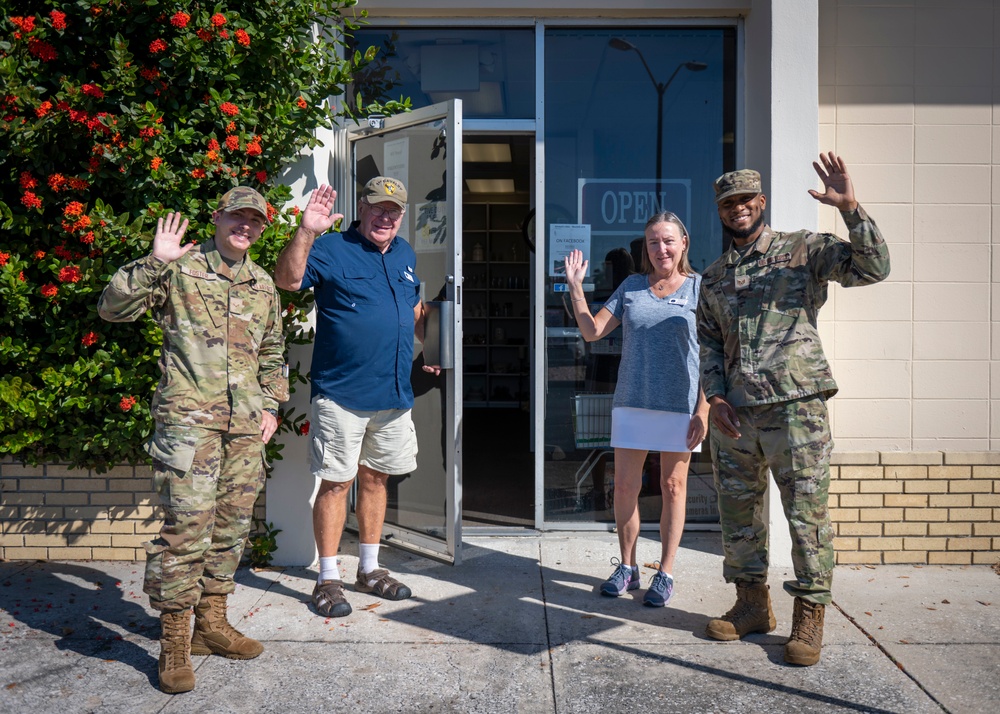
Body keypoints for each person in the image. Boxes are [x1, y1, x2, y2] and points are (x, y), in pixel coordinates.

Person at [696, 152, 890, 666]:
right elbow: (710, 344)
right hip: (737, 416)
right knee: (739, 517)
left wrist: (851, 209)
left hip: (796, 411)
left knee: (806, 516)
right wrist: (714, 397)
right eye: (728, 203)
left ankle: (810, 615)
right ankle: (751, 605)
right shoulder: (714, 277)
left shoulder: (803, 249)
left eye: (745, 200)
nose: (738, 209)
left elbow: (873, 268)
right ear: (720, 211)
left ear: (760, 202)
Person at [98, 187, 288, 694]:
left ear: (262, 229)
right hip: (189, 429)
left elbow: (273, 353)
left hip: (245, 430)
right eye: (236, 218)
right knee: (185, 530)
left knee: (230, 529)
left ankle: (212, 625)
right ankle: (175, 639)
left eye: (254, 221)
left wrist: (271, 405)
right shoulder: (180, 269)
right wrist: (153, 262)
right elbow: (113, 309)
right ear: (218, 218)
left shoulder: (263, 284)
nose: (244, 227)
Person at [274, 177, 439, 619]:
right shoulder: (330, 248)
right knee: (336, 483)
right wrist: (307, 230)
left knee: (376, 479)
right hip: (342, 393)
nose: (387, 217)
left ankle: (369, 568)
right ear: (362, 208)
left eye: (395, 211)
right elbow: (288, 280)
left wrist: (435, 347)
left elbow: (412, 311)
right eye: (379, 208)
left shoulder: (404, 254)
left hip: (393, 395)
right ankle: (327, 577)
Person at [564, 211, 709, 608]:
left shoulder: (701, 289)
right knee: (626, 487)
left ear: (683, 244)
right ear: (645, 249)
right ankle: (627, 567)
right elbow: (592, 331)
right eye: (653, 242)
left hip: (680, 407)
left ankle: (665, 572)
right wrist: (576, 287)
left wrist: (704, 409)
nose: (661, 249)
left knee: (672, 488)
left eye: (668, 241)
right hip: (632, 402)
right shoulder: (631, 286)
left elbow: (717, 355)